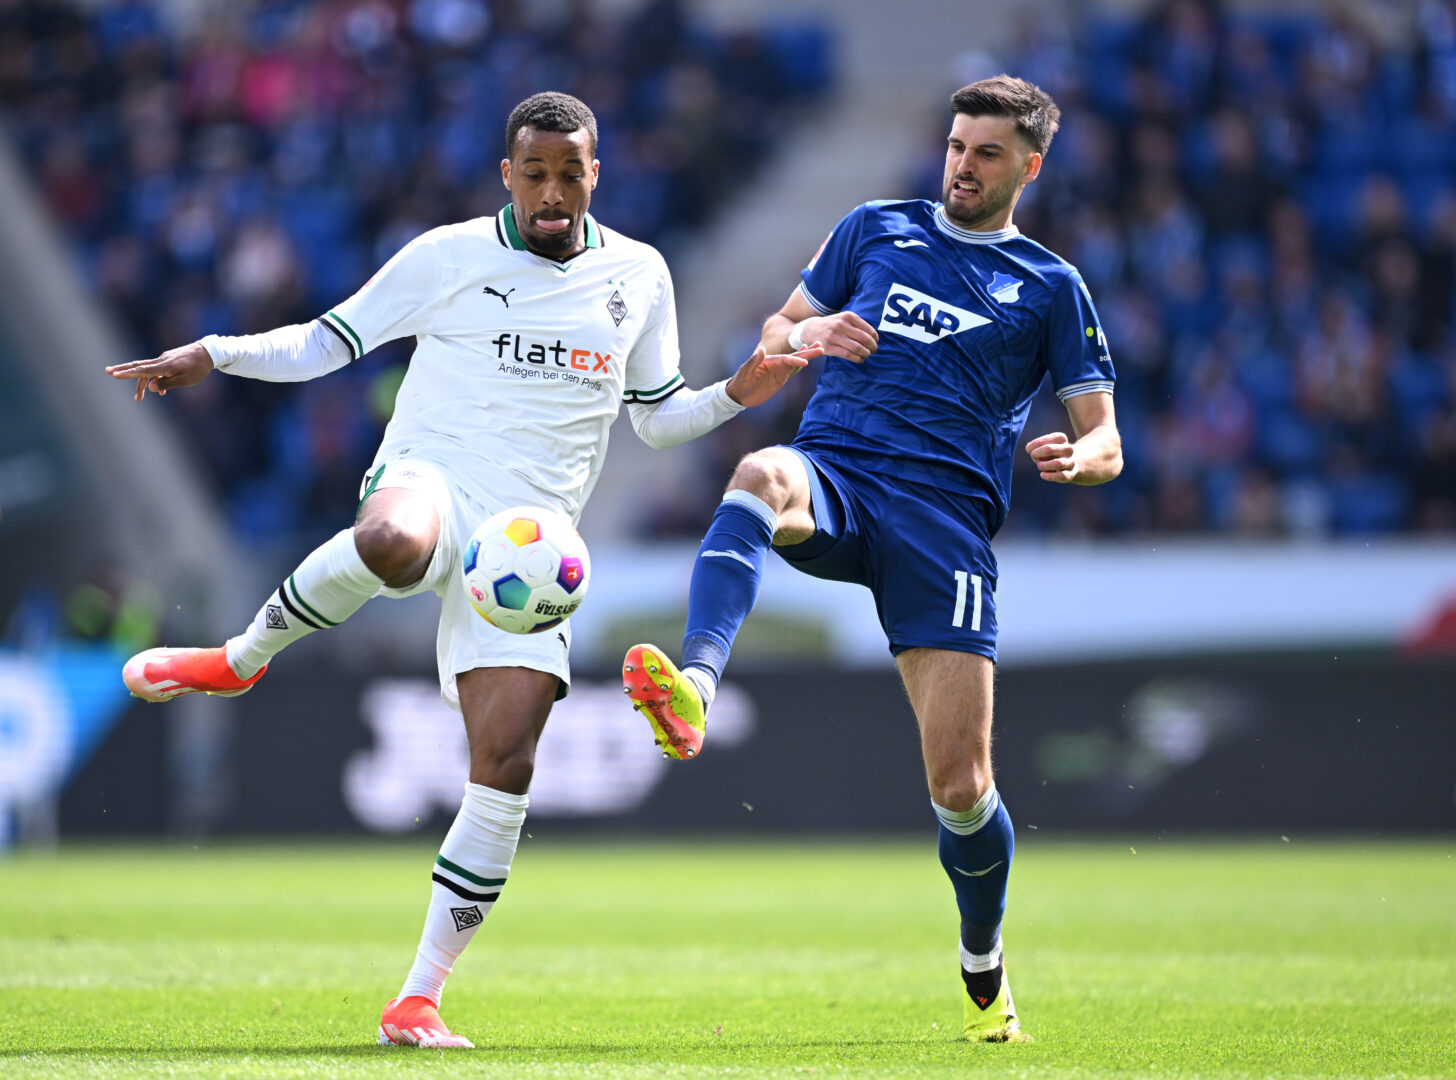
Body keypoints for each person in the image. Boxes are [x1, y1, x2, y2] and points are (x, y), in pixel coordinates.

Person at [107, 91, 818, 1050]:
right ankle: (242, 658)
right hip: (433, 473)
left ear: (596, 174)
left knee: (508, 763)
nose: (553, 192)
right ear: (507, 175)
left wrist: (737, 392)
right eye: (536, 174)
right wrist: (215, 353)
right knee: (392, 542)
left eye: (570, 174)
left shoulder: (640, 275)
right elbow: (327, 340)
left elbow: (655, 417)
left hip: (534, 541)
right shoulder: (447, 255)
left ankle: (418, 997)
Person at [622, 75, 1122, 1042]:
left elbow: (1106, 436)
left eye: (985, 153)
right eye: (956, 145)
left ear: (1029, 166)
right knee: (759, 472)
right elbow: (777, 331)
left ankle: (982, 963)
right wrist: (810, 332)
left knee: (961, 788)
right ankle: (696, 686)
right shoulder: (874, 229)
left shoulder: (1051, 285)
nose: (962, 166)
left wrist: (1082, 458)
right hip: (840, 473)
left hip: (944, 526)